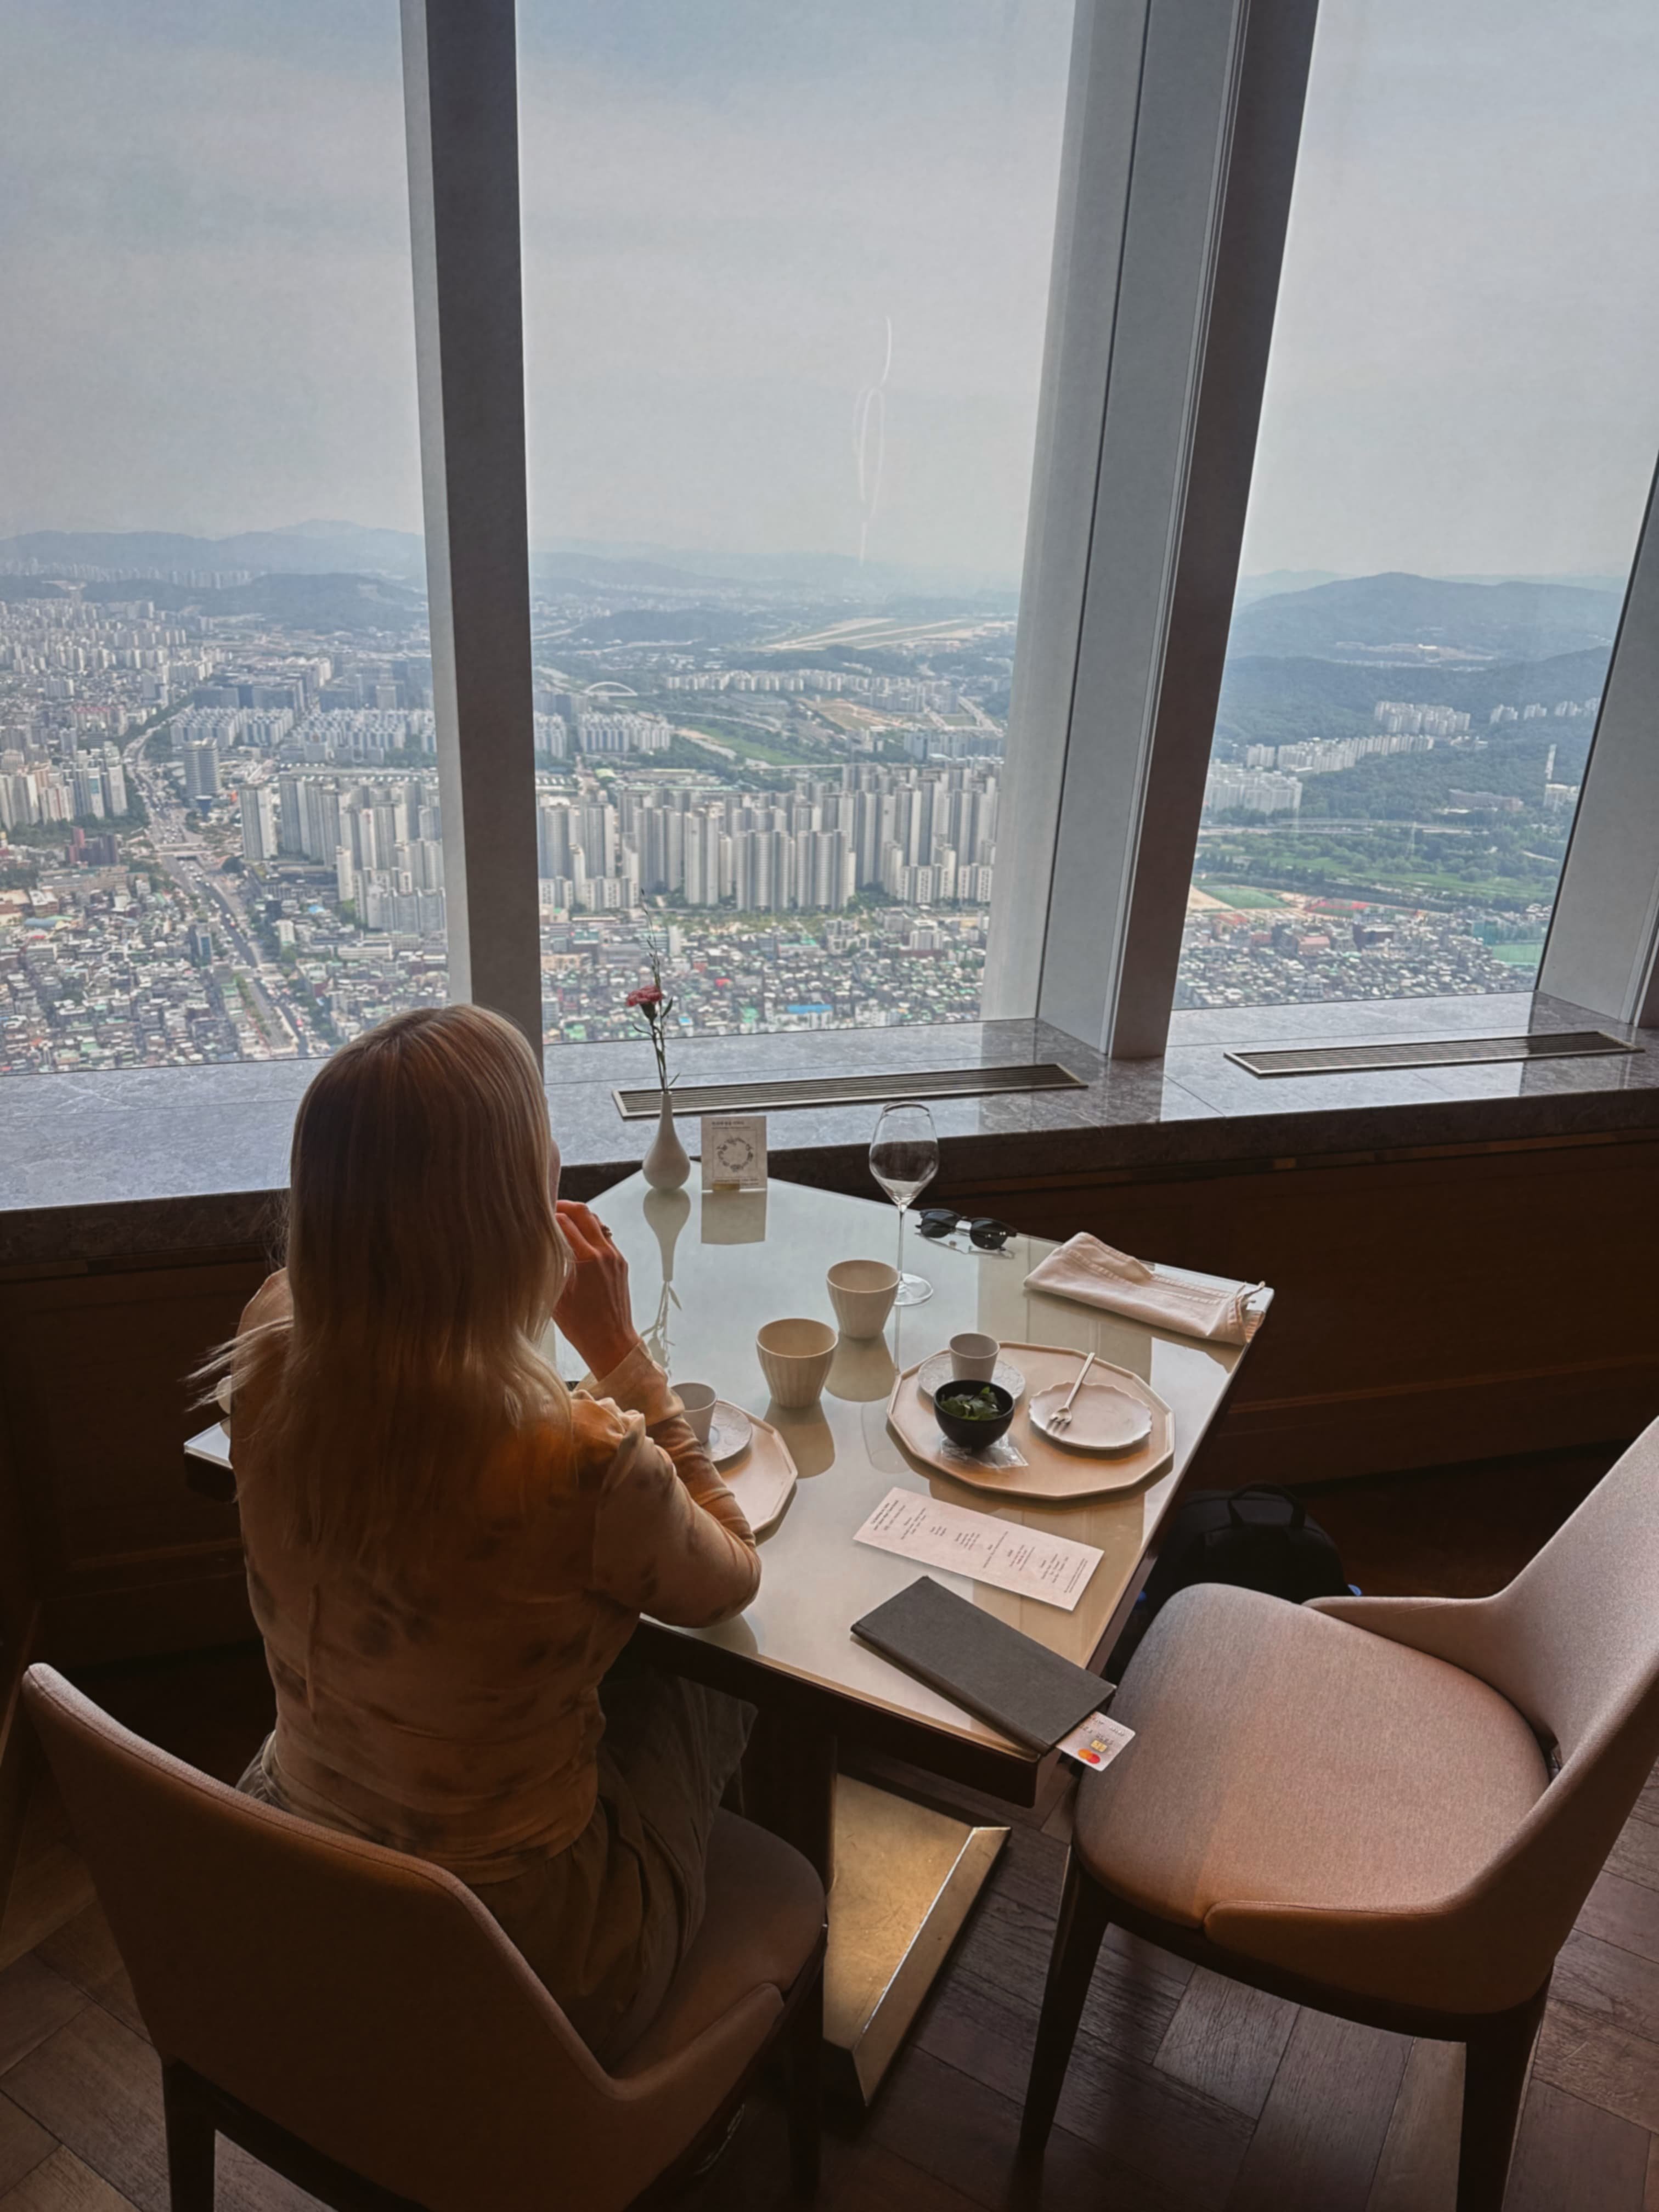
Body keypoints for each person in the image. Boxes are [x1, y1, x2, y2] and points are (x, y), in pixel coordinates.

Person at [210, 1003, 758, 2064]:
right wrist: (618, 1351)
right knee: (717, 1670)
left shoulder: (268, 1344)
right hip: (541, 1951)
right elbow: (730, 1570)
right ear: (506, 1206)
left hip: (291, 1855)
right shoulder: (579, 1461)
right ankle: (785, 1929)